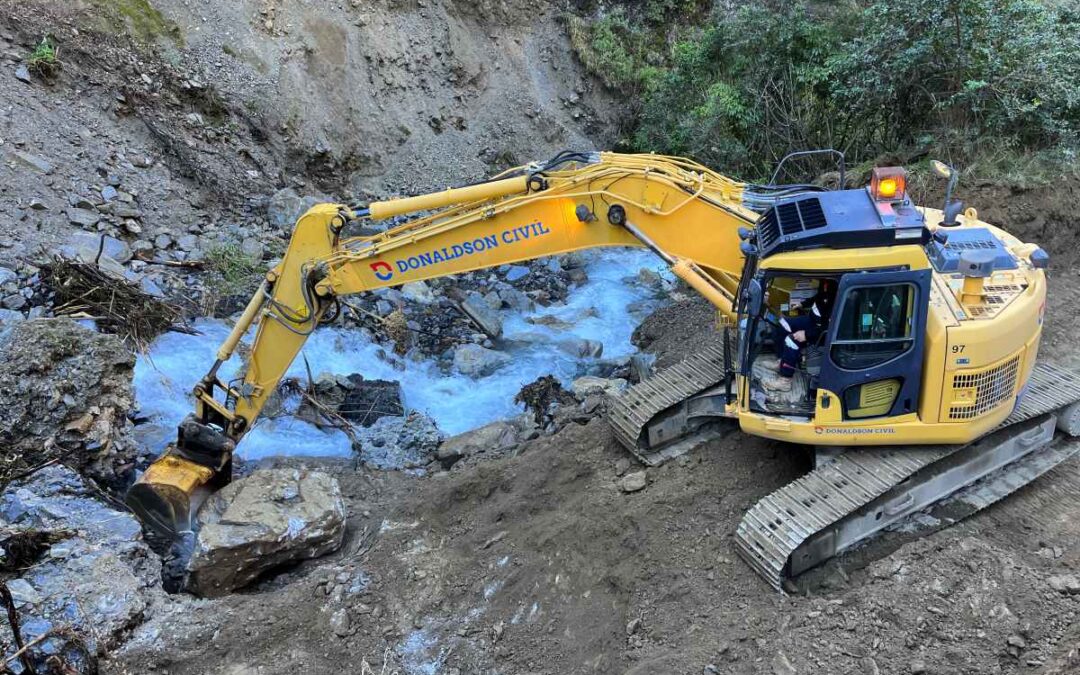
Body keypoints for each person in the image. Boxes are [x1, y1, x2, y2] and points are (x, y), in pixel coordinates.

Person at [763, 280, 837, 392]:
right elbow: (820, 297)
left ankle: (785, 380)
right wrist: (803, 304)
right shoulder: (828, 281)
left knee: (791, 340)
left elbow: (831, 328)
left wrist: (806, 335)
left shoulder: (838, 287)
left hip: (821, 331)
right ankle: (782, 362)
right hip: (812, 320)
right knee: (783, 323)